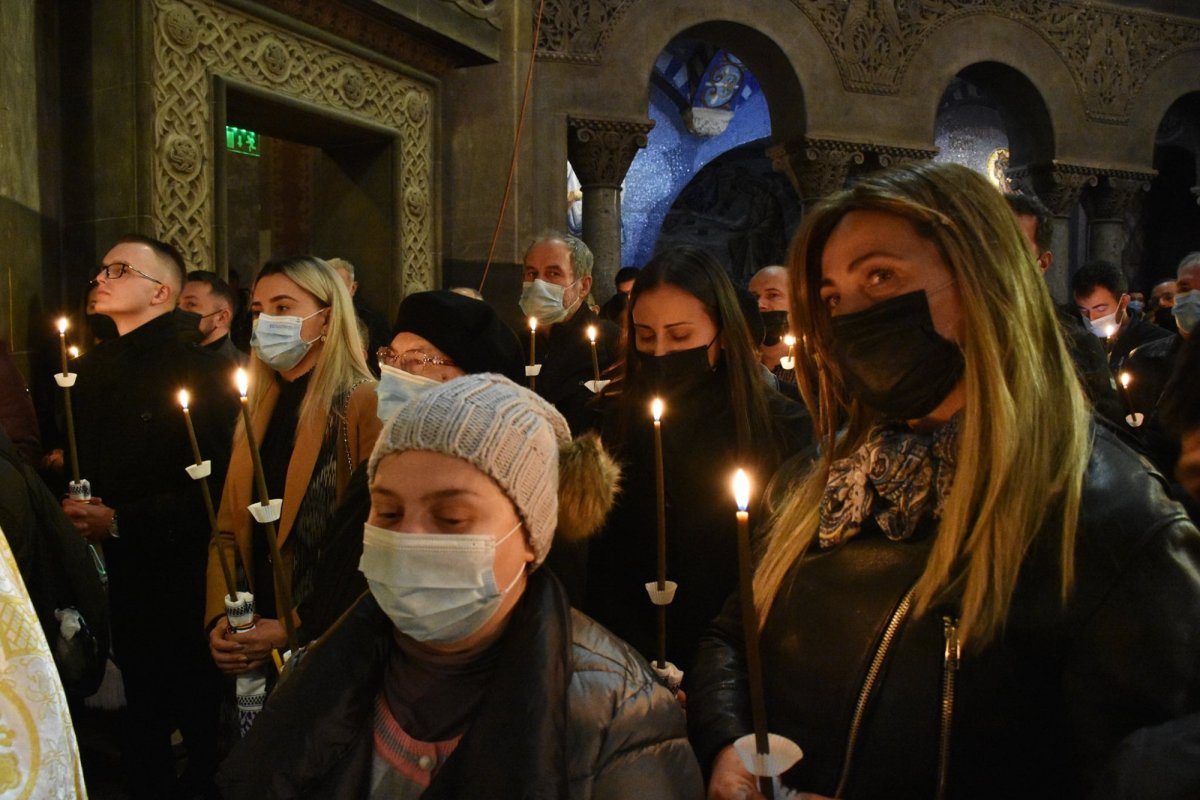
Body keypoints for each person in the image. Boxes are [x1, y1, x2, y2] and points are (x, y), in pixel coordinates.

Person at [688, 162, 1200, 799]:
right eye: (833, 297)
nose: (852, 316)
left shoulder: (1116, 524)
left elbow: (1138, 776)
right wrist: (730, 742)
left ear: (985, 281)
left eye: (882, 276)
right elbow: (732, 638)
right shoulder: (817, 481)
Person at [216, 374, 704, 798]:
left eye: (451, 517)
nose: (406, 538)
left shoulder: (618, 718)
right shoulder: (317, 671)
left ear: (531, 535)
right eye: (387, 511)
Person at [62, 233, 240, 798]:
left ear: (162, 291)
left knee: (194, 723)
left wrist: (120, 520)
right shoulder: (88, 371)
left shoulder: (198, 369)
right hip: (114, 578)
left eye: (119, 270)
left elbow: (218, 489)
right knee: (137, 732)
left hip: (181, 577)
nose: (101, 279)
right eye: (101, 269)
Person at [584, 246, 812, 676]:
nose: (662, 352)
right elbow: (601, 563)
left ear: (721, 333)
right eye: (646, 337)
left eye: (681, 336)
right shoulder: (609, 422)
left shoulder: (782, 428)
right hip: (624, 660)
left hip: (736, 663)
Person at [298, 289, 526, 642]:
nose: (393, 373)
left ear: (471, 381)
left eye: (416, 360)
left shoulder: (500, 485)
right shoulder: (375, 469)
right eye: (391, 358)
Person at [206, 257, 380, 679]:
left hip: (326, 636)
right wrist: (221, 619)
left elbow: (370, 541)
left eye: (283, 307)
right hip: (253, 631)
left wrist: (291, 627)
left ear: (327, 318)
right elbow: (228, 530)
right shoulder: (258, 405)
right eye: (259, 311)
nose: (266, 321)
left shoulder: (364, 402)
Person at [1004, 193, 1124, 425]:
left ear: (1043, 263)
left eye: (1014, 246)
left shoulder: (1074, 343)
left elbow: (1109, 432)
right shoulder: (950, 327)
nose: (998, 258)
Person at [520, 232, 620, 433]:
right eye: (532, 273)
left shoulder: (612, 342)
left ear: (583, 286)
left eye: (553, 274)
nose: (539, 284)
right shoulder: (516, 344)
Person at [1071, 259, 1172, 372]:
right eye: (1084, 310)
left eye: (1101, 309)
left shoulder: (1157, 342)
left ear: (1123, 302)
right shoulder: (1075, 341)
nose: (1091, 318)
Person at [328, 256, 392, 375]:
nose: (333, 291)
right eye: (328, 285)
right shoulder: (312, 319)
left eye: (339, 285)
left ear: (353, 288)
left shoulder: (373, 322)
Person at [180, 269, 246, 364]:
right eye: (177, 304)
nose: (180, 311)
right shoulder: (170, 362)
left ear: (222, 317)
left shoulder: (245, 370)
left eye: (191, 304)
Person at [748, 265, 795, 382]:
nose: (760, 304)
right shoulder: (740, 364)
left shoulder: (816, 368)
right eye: (753, 297)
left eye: (773, 295)